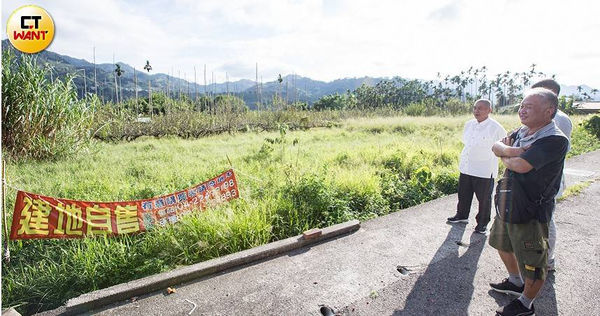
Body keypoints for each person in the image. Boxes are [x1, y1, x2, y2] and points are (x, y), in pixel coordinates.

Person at [489, 88, 568, 316]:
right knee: (502, 245)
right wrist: (511, 150)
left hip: (532, 210)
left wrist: (506, 156)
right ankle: (515, 282)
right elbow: (496, 146)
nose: (522, 110)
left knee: (533, 262)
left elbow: (521, 165)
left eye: (529, 107)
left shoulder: (554, 140)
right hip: (508, 202)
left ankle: (526, 304)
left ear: (548, 111)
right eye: (521, 106)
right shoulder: (522, 132)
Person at [531, 79, 573, 271]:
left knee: (546, 221)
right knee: (536, 221)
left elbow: (550, 151)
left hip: (548, 180)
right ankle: (537, 258)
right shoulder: (536, 117)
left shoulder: (560, 120)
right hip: (534, 179)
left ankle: (547, 259)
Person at [447, 99, 506, 234]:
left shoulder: (496, 127)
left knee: (484, 199)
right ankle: (461, 216)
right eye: (475, 108)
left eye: (480, 108)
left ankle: (482, 224)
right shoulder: (469, 124)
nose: (476, 111)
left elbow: (504, 146)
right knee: (463, 194)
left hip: (484, 170)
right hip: (467, 167)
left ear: (489, 110)